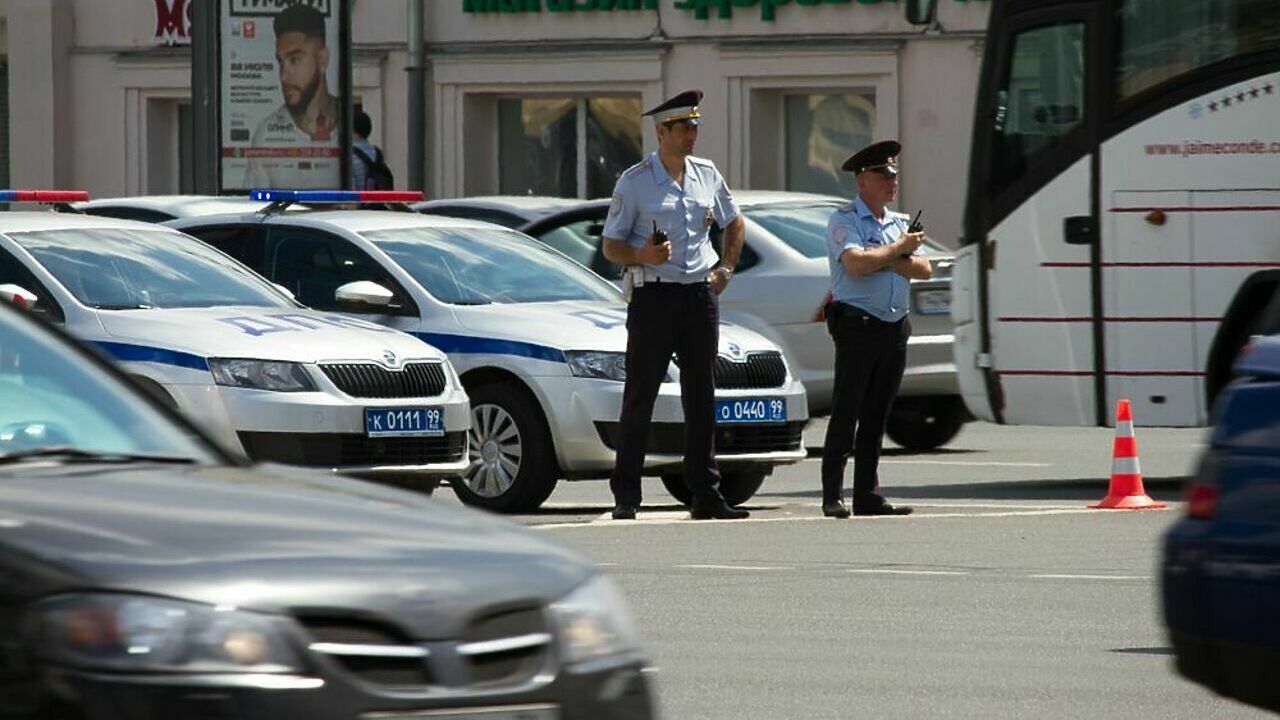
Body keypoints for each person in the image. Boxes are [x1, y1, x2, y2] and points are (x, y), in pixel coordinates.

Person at [601, 89, 748, 521]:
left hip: (698, 294)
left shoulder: (706, 174)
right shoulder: (635, 180)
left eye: (695, 127)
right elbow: (611, 245)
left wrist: (726, 269)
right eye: (684, 128)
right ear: (661, 131)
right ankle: (627, 494)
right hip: (654, 296)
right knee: (641, 394)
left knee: (701, 395)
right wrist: (642, 255)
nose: (692, 136)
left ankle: (705, 492)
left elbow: (734, 222)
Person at [820, 140, 932, 518]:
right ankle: (832, 494)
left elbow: (924, 269)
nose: (892, 181)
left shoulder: (899, 224)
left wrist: (887, 258)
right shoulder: (845, 221)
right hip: (858, 327)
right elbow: (855, 265)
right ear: (862, 180)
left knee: (877, 413)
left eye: (894, 174)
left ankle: (867, 492)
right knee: (847, 409)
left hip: (893, 326)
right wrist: (898, 252)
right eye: (883, 174)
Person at [243, 4, 340, 189]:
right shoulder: (267, 136)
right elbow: (253, 206)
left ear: (323, 60)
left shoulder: (348, 126)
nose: (284, 76)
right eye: (281, 61)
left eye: (295, 59)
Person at [352, 109, 394, 190]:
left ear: (352, 130)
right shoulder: (377, 153)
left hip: (359, 201)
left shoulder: (349, 156)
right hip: (378, 201)